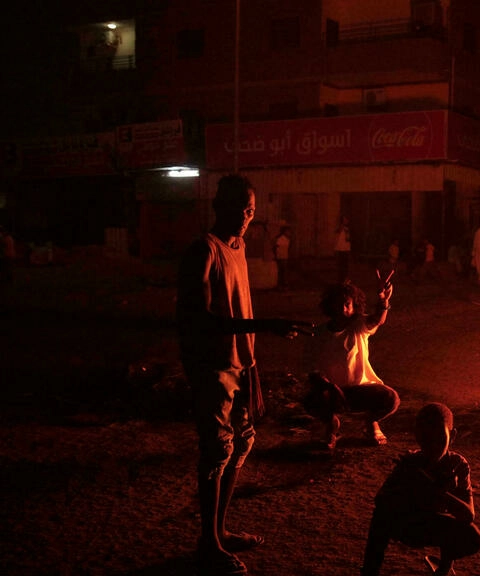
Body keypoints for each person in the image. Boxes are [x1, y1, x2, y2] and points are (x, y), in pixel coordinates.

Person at [177, 174, 312, 576]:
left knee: (243, 444)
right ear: (218, 206)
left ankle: (219, 531)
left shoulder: (240, 247)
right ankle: (208, 544)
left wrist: (252, 365)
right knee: (217, 452)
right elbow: (199, 319)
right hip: (211, 367)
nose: (244, 218)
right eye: (238, 209)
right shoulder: (203, 251)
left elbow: (240, 307)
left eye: (250, 211)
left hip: (241, 365)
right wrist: (263, 326)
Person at [360, 403, 480, 576]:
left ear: (452, 436)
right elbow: (380, 500)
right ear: (417, 436)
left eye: (439, 439)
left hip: (432, 524)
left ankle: (444, 569)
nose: (432, 446)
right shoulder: (411, 463)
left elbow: (468, 515)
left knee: (471, 536)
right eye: (425, 439)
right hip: (408, 525)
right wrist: (407, 483)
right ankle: (370, 571)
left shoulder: (457, 465)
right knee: (381, 515)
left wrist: (441, 492)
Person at [305, 281, 399, 448]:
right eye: (338, 304)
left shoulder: (359, 326)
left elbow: (378, 320)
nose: (343, 309)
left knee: (391, 398)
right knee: (310, 400)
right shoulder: (319, 334)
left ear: (355, 306)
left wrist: (383, 300)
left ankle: (370, 422)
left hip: (362, 390)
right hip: (333, 392)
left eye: (347, 304)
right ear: (329, 306)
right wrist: (324, 384)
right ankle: (331, 426)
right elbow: (311, 369)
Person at [335, 215, 352, 284]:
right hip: (340, 249)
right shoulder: (340, 228)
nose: (346, 221)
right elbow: (337, 231)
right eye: (344, 220)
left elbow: (348, 239)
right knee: (340, 266)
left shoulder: (348, 229)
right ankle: (340, 280)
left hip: (346, 249)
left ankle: (345, 280)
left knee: (345, 266)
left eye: (347, 220)